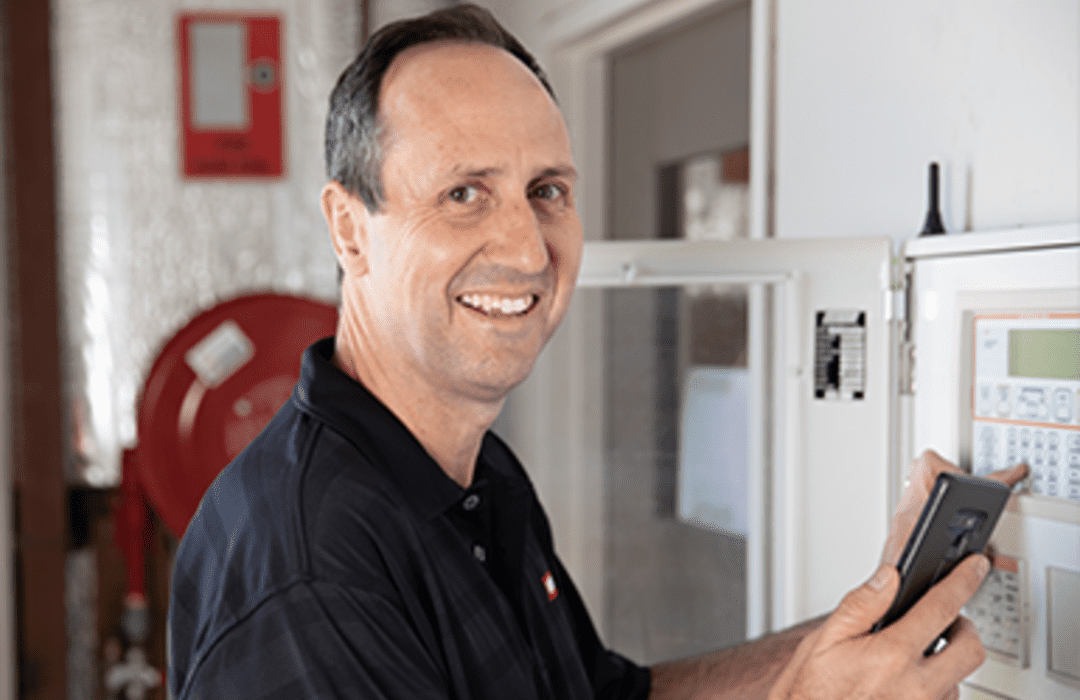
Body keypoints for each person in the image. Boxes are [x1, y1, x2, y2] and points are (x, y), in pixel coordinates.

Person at [167, 5, 1027, 699]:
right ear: (350, 230)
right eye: (464, 193)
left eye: (547, 191)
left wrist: (873, 616)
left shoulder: (477, 477)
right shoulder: (311, 573)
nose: (526, 249)